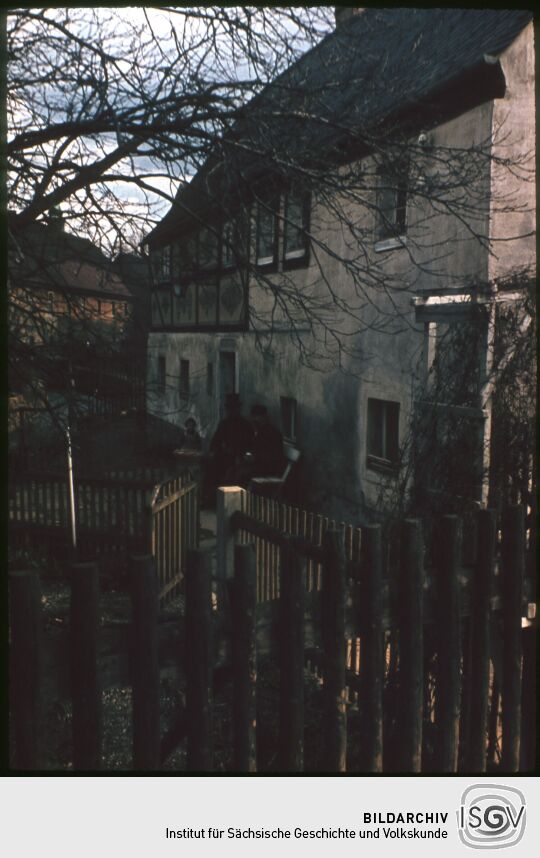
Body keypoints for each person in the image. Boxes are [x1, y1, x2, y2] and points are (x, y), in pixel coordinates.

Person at [207, 392, 254, 489]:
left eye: (235, 408)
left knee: (237, 473)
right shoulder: (224, 424)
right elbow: (216, 441)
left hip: (241, 457)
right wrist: (215, 451)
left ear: (238, 409)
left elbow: (251, 444)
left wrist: (244, 454)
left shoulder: (246, 425)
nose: (232, 411)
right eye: (230, 409)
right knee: (213, 470)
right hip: (225, 457)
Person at [248, 404, 284, 477]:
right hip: (261, 465)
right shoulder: (261, 431)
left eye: (256, 417)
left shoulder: (272, 433)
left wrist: (255, 458)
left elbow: (273, 456)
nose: (254, 420)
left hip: (268, 468)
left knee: (241, 474)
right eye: (253, 417)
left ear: (263, 417)